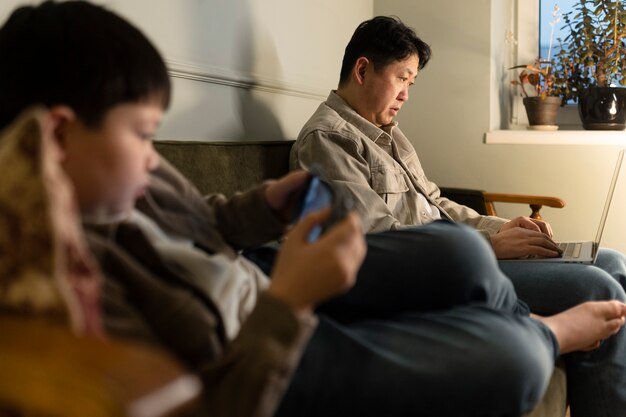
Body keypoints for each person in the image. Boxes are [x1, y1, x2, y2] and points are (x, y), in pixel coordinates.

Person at [1, 3, 625, 417]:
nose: (152, 154)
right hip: (274, 317)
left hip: (269, 278)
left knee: (479, 249)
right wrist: (289, 300)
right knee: (517, 314)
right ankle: (540, 329)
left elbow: (208, 218)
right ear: (56, 138)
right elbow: (373, 233)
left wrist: (263, 205)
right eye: (141, 134)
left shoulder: (132, 183)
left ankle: (513, 313)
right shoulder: (72, 275)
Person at [290, 15, 626, 417]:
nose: (406, 95)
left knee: (614, 261)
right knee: (598, 288)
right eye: (401, 78)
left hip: (464, 252)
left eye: (410, 84)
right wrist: (490, 247)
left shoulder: (388, 132)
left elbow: (435, 201)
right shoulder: (327, 140)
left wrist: (502, 228)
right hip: (443, 274)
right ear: (362, 70)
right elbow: (380, 243)